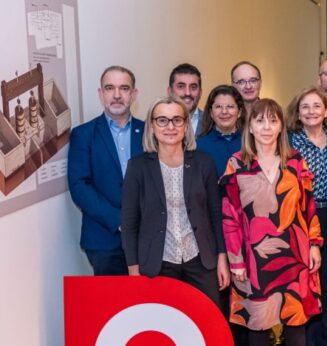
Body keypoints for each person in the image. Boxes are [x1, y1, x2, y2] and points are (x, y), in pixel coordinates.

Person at [220, 98, 322, 346]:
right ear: (250, 127)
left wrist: (315, 244)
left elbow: (309, 207)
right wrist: (236, 261)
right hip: (254, 260)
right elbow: (230, 217)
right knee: (258, 328)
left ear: (280, 128)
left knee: (296, 328)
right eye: (259, 120)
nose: (266, 127)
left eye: (273, 121)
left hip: (296, 256)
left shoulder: (296, 162)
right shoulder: (237, 164)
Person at [121, 96, 229, 309]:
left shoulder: (203, 162)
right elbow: (129, 222)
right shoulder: (138, 167)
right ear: (152, 126)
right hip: (157, 264)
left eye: (177, 120)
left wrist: (222, 258)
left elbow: (216, 214)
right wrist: (133, 270)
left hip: (201, 261)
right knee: (165, 329)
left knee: (208, 324)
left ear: (186, 125)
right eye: (162, 120)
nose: (170, 126)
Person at [68, 65, 144, 276]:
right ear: (101, 94)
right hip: (104, 239)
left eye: (124, 88)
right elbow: (79, 186)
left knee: (147, 304)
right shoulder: (83, 135)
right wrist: (118, 220)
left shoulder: (150, 132)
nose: (117, 95)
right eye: (110, 88)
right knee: (112, 305)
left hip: (146, 237)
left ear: (134, 94)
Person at [285, 87, 327, 346]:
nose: (311, 111)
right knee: (304, 281)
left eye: (316, 106)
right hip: (299, 217)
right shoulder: (288, 143)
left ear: (326, 111)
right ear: (298, 113)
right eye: (305, 107)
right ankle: (303, 339)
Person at [197, 85, 245, 176]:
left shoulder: (250, 143)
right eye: (218, 106)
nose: (224, 111)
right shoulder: (199, 145)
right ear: (211, 113)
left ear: (239, 112)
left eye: (230, 106)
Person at [167, 63, 204, 134]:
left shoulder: (213, 123)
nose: (187, 93)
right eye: (181, 86)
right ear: (170, 91)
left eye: (193, 87)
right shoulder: (153, 124)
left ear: (200, 92)